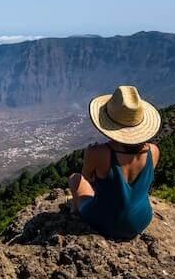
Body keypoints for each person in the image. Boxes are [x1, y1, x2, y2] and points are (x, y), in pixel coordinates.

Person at [68, 85, 161, 239]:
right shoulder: (154, 151)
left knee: (75, 179)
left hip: (105, 222)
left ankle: (76, 210)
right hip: (141, 220)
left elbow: (87, 178)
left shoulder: (97, 153)